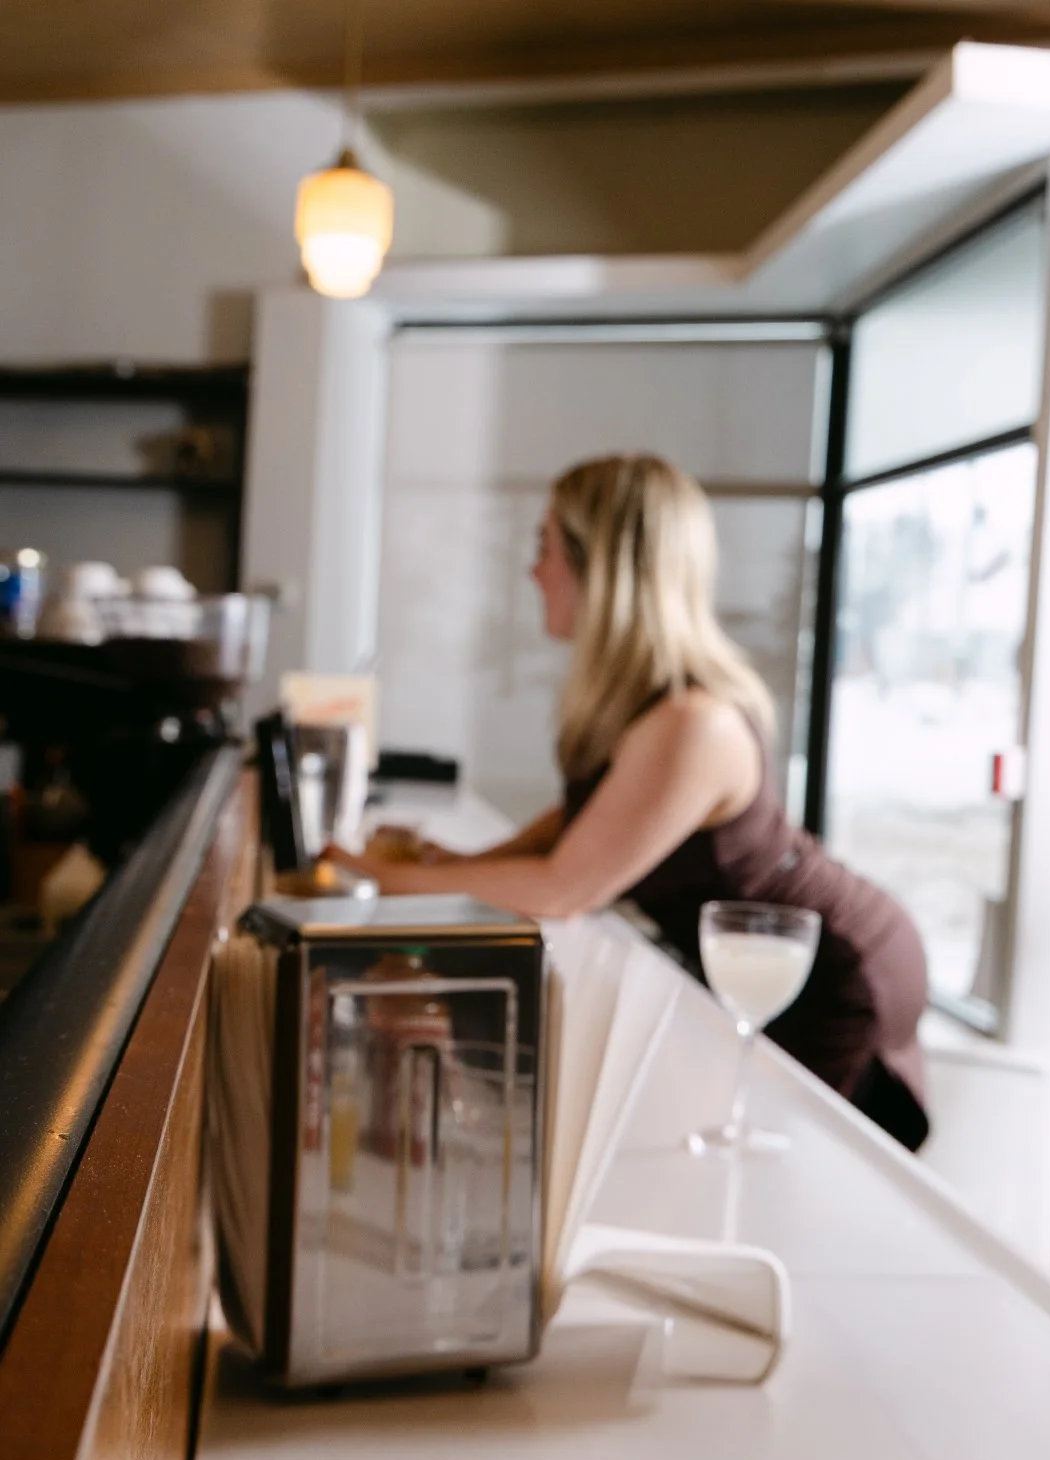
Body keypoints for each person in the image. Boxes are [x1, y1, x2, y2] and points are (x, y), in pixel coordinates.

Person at [329, 454, 930, 1151]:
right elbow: (577, 827)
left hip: (824, 968)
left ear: (603, 568)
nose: (533, 571)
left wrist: (375, 876)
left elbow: (564, 886)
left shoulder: (693, 725)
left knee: (789, 1161)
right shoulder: (648, 708)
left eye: (545, 547)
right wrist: (451, 862)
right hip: (763, 949)